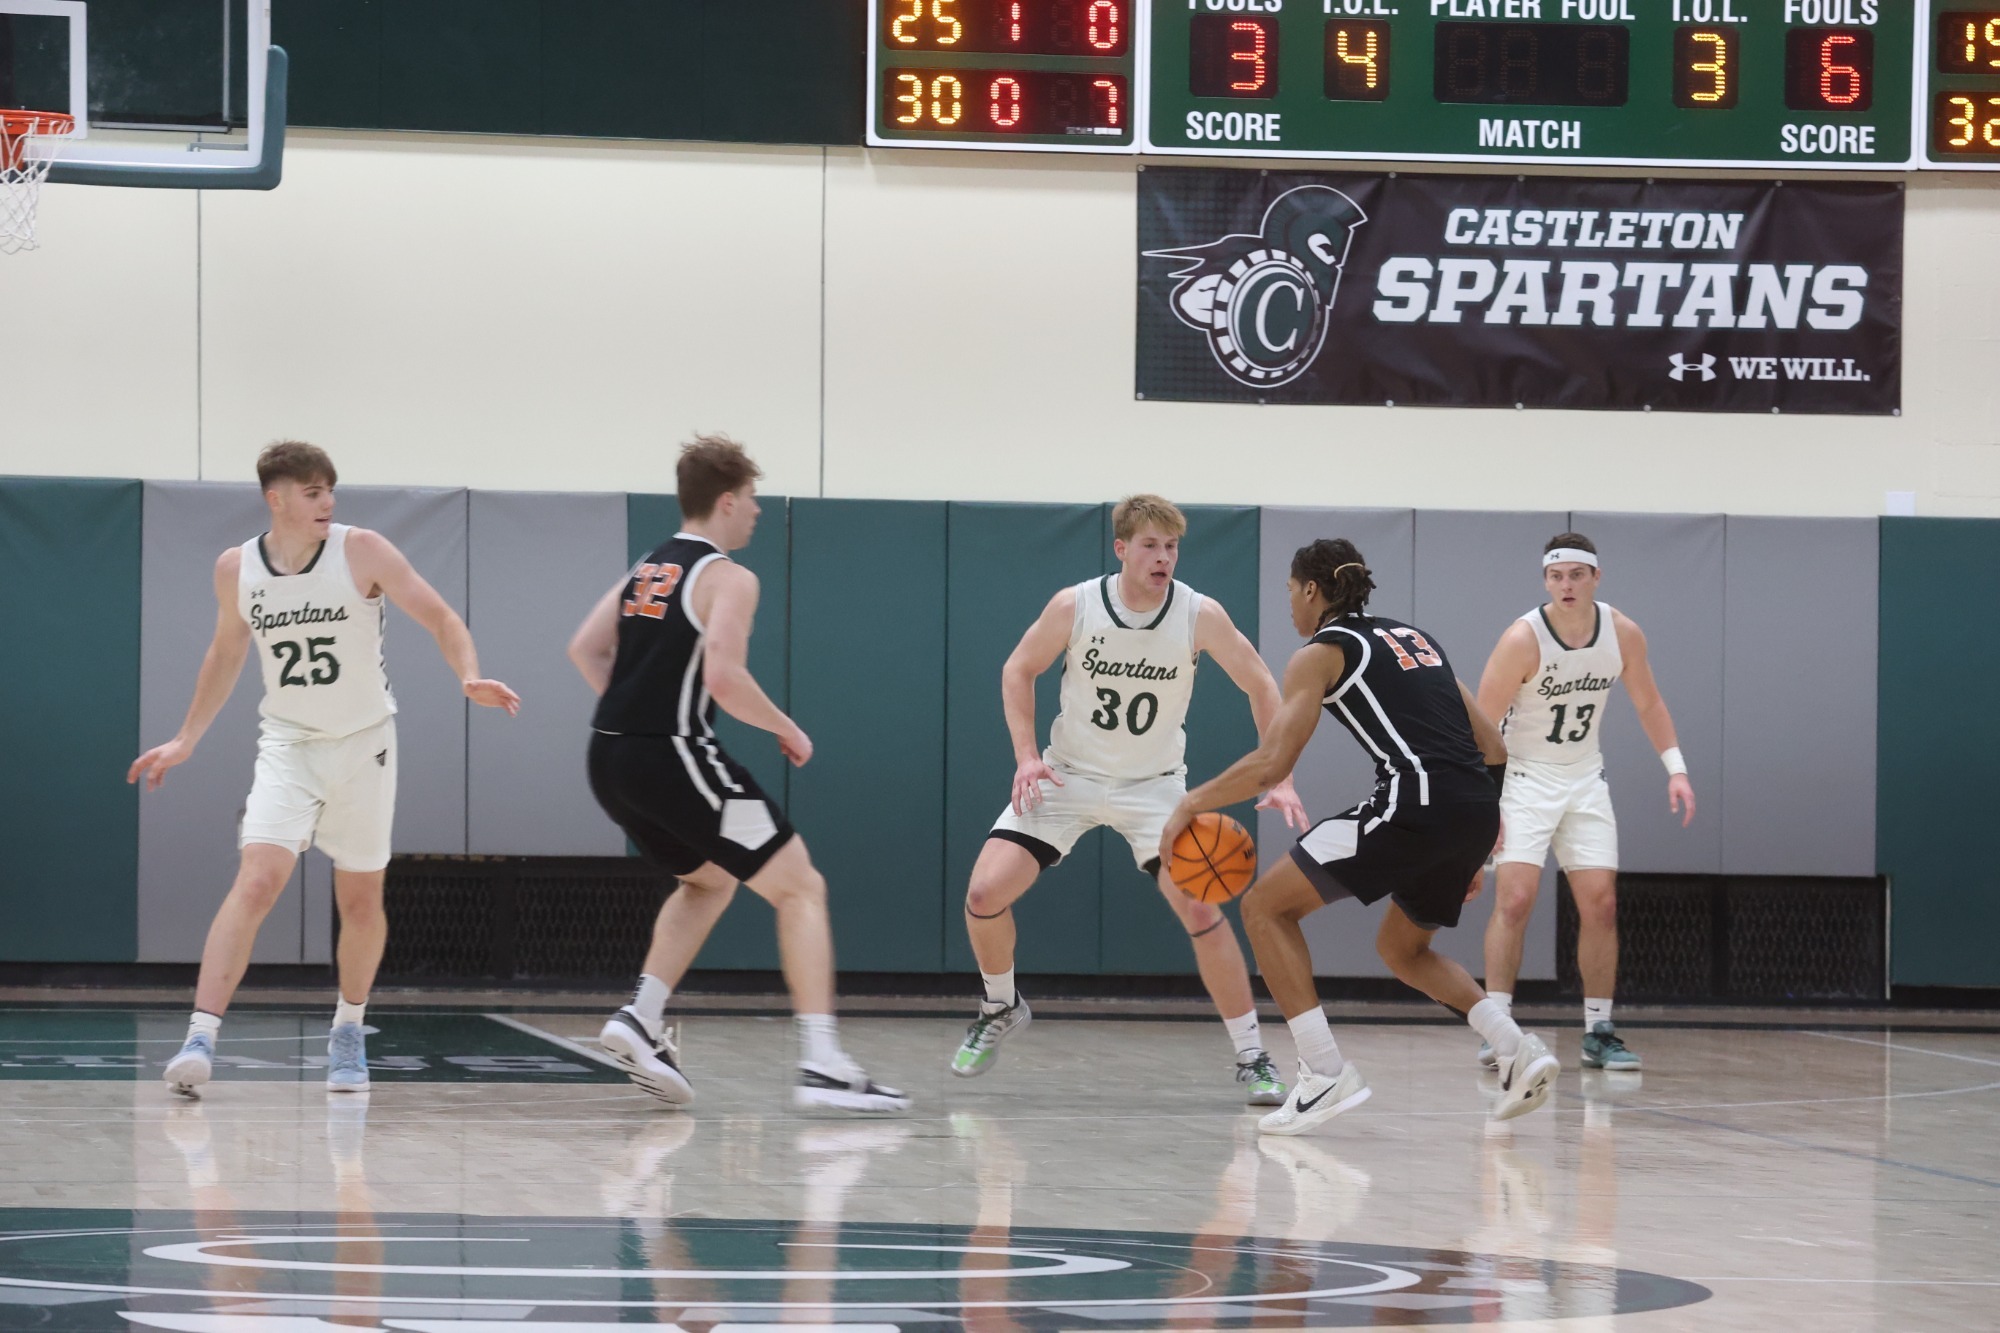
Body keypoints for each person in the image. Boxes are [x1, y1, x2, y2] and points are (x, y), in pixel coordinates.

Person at [130, 441, 522, 1096]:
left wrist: (470, 673)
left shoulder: (361, 549)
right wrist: (186, 737)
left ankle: (348, 1027)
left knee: (361, 898)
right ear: (275, 497)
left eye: (330, 491)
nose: (327, 503)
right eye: (312, 492)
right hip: (288, 743)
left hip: (364, 741)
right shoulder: (236, 568)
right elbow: (226, 652)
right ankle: (200, 1036)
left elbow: (439, 614)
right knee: (257, 879)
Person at [1162, 538, 1559, 1136]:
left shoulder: (1320, 653)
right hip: (1473, 808)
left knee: (1266, 909)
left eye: (1291, 591)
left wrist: (1189, 803)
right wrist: (1469, 844)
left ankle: (1322, 1073)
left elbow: (1272, 763)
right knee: (1403, 951)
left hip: (1415, 802)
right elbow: (1494, 748)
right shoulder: (1416, 638)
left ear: (1312, 591)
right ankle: (1516, 1047)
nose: (1290, 603)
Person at [568, 434, 907, 1114]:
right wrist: (785, 725)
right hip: (674, 753)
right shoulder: (728, 577)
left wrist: (634, 713)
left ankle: (641, 1015)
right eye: (751, 499)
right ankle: (823, 1063)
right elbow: (723, 676)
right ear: (726, 500)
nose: (756, 510)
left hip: (608, 757)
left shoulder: (648, 566)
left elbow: (585, 648)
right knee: (801, 887)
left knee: (709, 878)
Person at [949, 495, 1310, 1103]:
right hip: (1067, 775)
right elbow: (1018, 670)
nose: (1162, 557)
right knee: (983, 894)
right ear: (1121, 549)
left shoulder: (1199, 614)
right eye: (1150, 545)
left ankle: (1252, 1054)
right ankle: (1000, 1004)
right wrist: (1026, 756)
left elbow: (1262, 683)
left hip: (1155, 787)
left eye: (1171, 547)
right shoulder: (1076, 605)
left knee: (1200, 909)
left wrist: (1283, 777)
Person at [1473, 532, 1696, 1073]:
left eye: (1576, 575)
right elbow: (1478, 725)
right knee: (1515, 899)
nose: (1566, 585)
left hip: (1584, 777)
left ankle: (1599, 1030)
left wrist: (1677, 770)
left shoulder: (1622, 633)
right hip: (1522, 777)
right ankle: (1499, 1027)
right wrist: (1485, 801)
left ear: (1597, 577)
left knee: (1601, 903)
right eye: (1556, 576)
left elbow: (1649, 702)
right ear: (1545, 581)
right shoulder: (1522, 639)